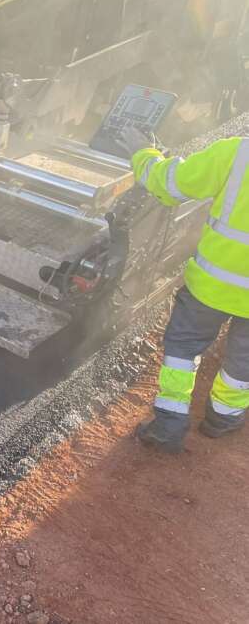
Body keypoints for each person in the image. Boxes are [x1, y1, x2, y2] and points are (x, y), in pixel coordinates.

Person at [123, 126, 249, 453]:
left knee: (182, 350)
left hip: (211, 287)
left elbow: (168, 184)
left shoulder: (236, 153)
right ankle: (223, 419)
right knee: (244, 361)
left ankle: (168, 425)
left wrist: (144, 153)